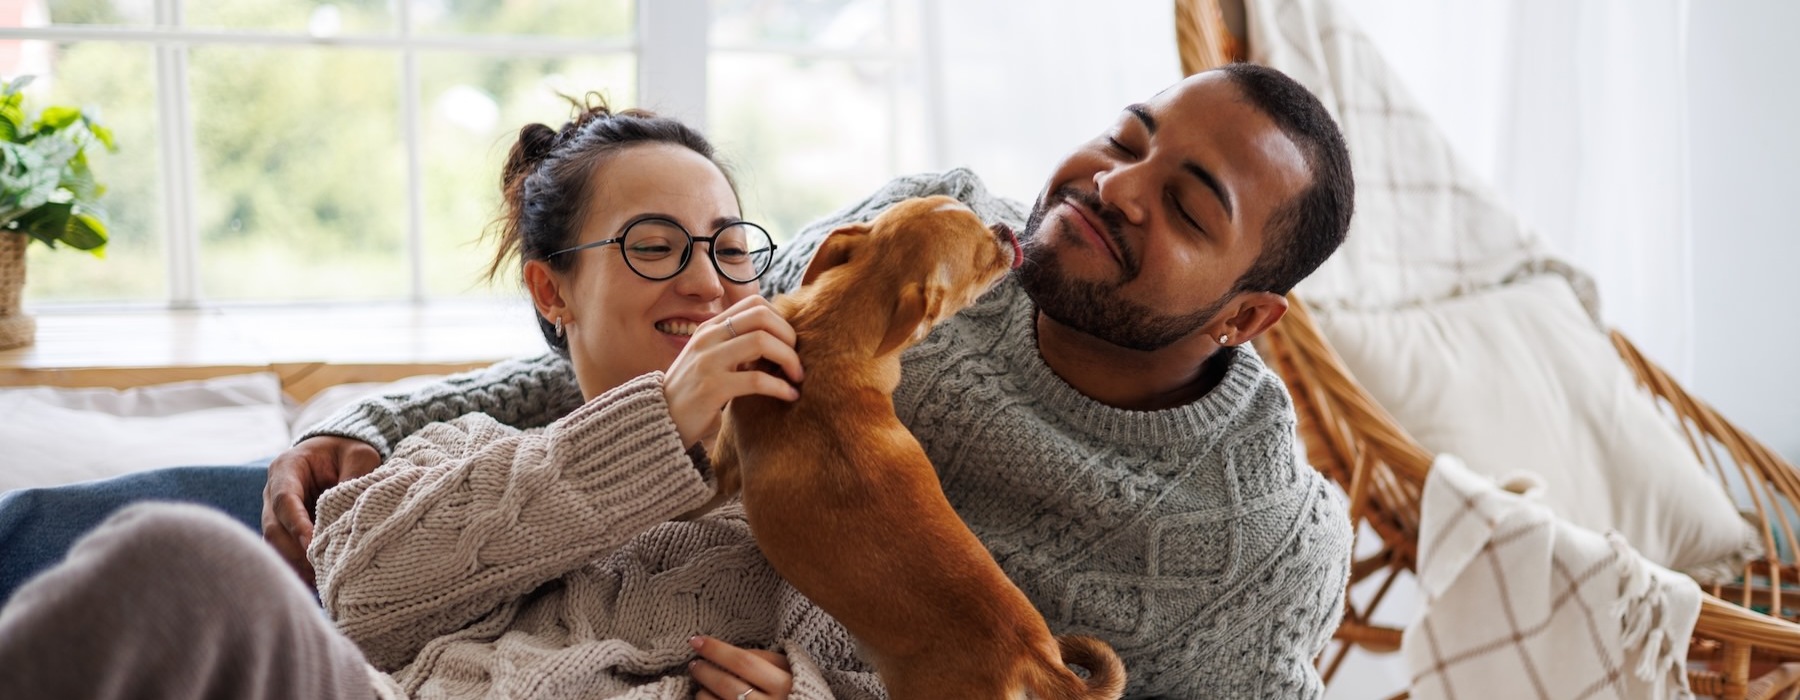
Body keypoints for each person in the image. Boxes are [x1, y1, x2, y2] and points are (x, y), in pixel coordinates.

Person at [1, 62, 1357, 698]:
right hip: (431, 595)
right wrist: (361, 421)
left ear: (1245, 315)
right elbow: (661, 362)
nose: (1108, 187)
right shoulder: (924, 251)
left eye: (1184, 203)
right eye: (1123, 138)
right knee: (169, 553)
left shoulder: (1265, 541)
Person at [0, 98, 872, 700]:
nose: (705, 281)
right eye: (654, 246)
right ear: (550, 292)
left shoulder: (805, 503)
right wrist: (655, 427)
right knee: (178, 559)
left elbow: (898, 667)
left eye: (729, 248)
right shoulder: (464, 452)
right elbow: (356, 601)